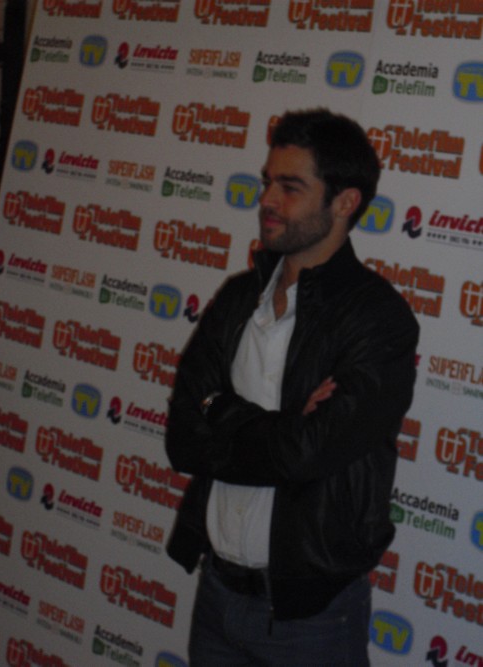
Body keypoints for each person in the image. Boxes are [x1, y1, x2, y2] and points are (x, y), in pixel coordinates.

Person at [165, 108, 419, 666]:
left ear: (344, 202)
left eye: (290, 186)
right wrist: (285, 427)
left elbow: (310, 454)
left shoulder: (378, 319)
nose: (268, 200)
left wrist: (220, 410)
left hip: (313, 619)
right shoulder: (238, 299)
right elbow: (183, 439)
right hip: (216, 596)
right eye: (267, 182)